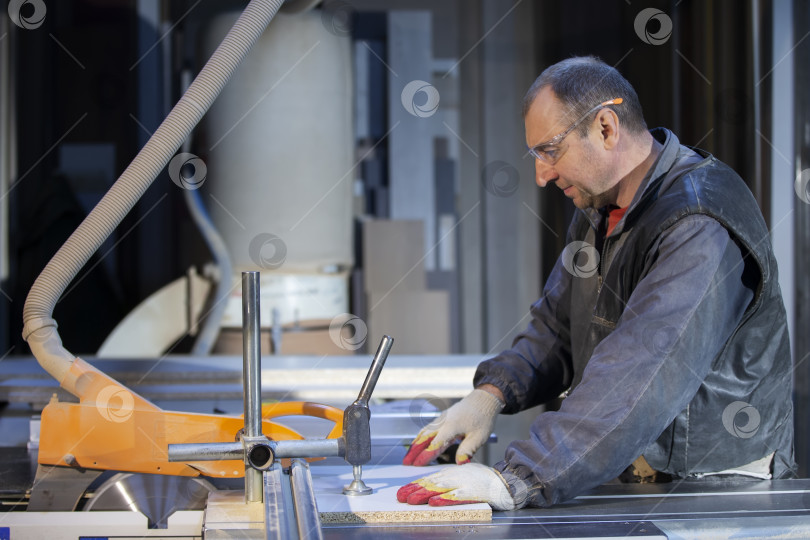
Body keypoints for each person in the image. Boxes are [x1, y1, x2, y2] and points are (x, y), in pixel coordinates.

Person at [396, 56, 795, 510]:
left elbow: (640, 373)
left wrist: (517, 478)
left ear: (606, 127)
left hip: (713, 488)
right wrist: (490, 394)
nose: (541, 175)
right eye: (535, 155)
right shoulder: (602, 209)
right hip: (637, 472)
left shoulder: (697, 222)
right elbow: (559, 327)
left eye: (550, 150)